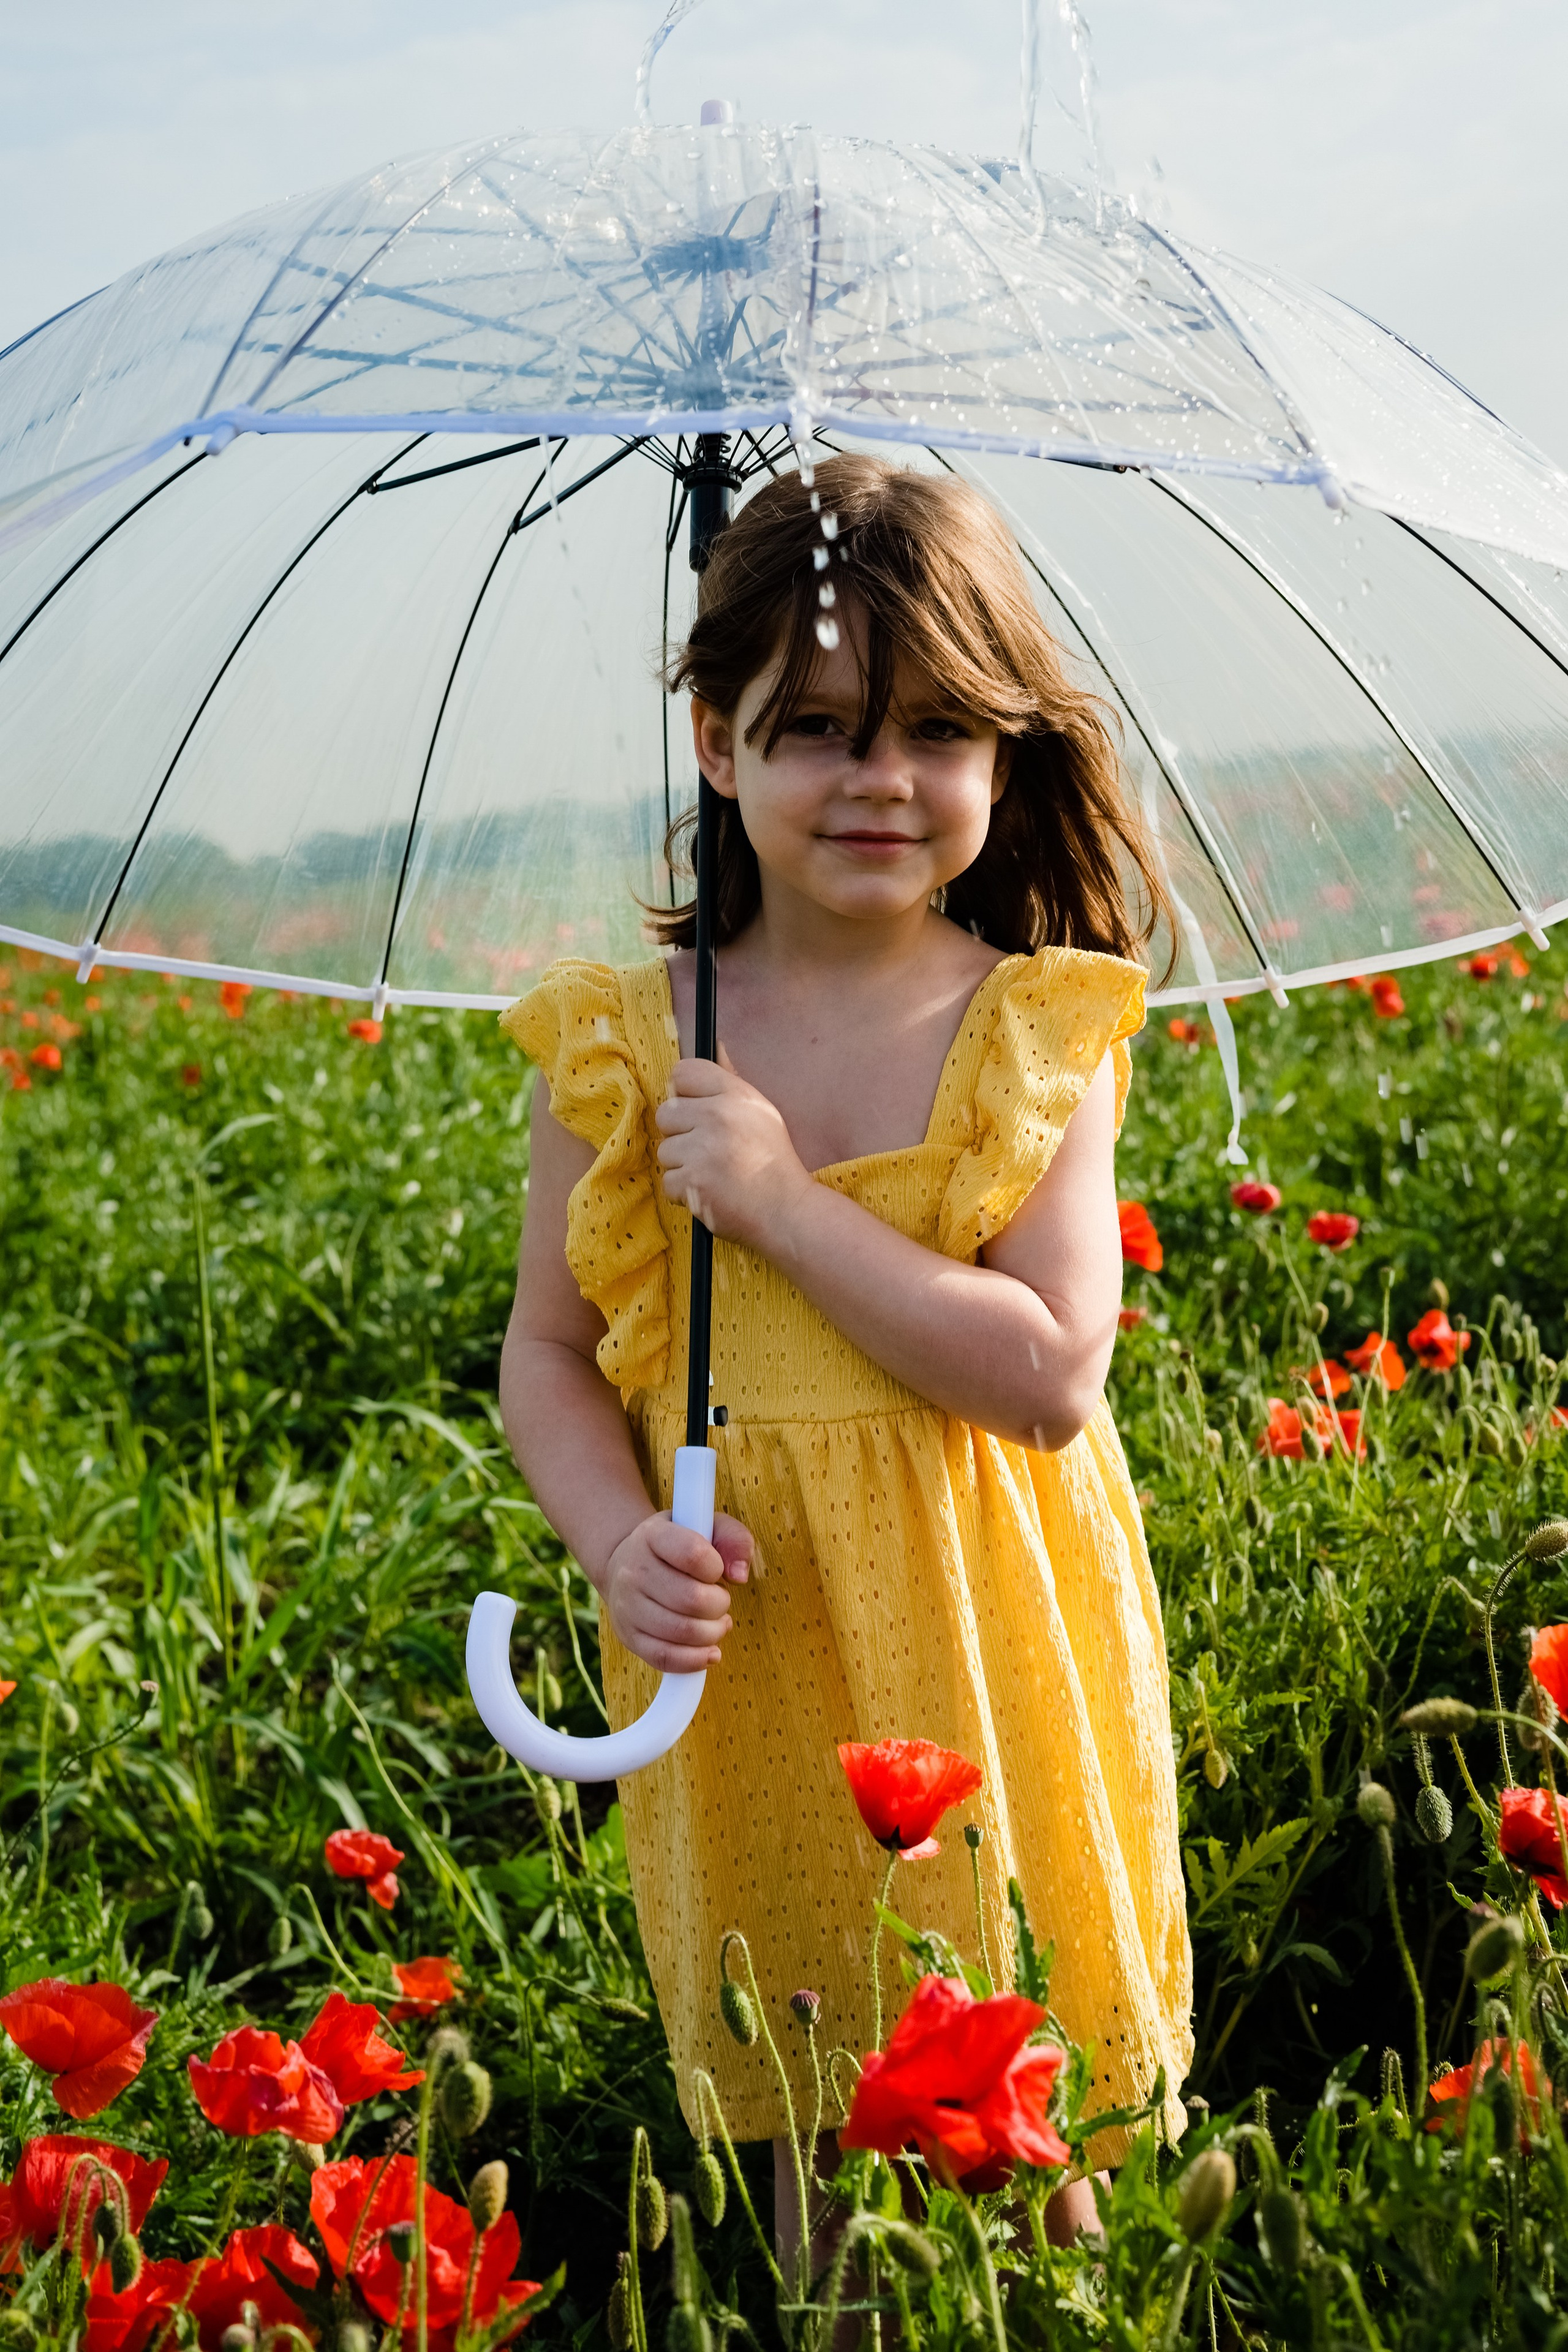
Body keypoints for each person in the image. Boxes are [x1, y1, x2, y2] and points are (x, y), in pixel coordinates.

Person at [499, 454, 1193, 2246]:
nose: (880, 778)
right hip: (755, 1647)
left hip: (984, 1632)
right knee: (811, 2098)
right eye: (815, 726)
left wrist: (788, 1205)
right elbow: (551, 1356)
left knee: (1025, 2104)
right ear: (719, 748)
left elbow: (1048, 1376)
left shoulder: (1028, 1028)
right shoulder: (626, 1049)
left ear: (1002, 756)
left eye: (938, 728)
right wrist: (616, 1541)